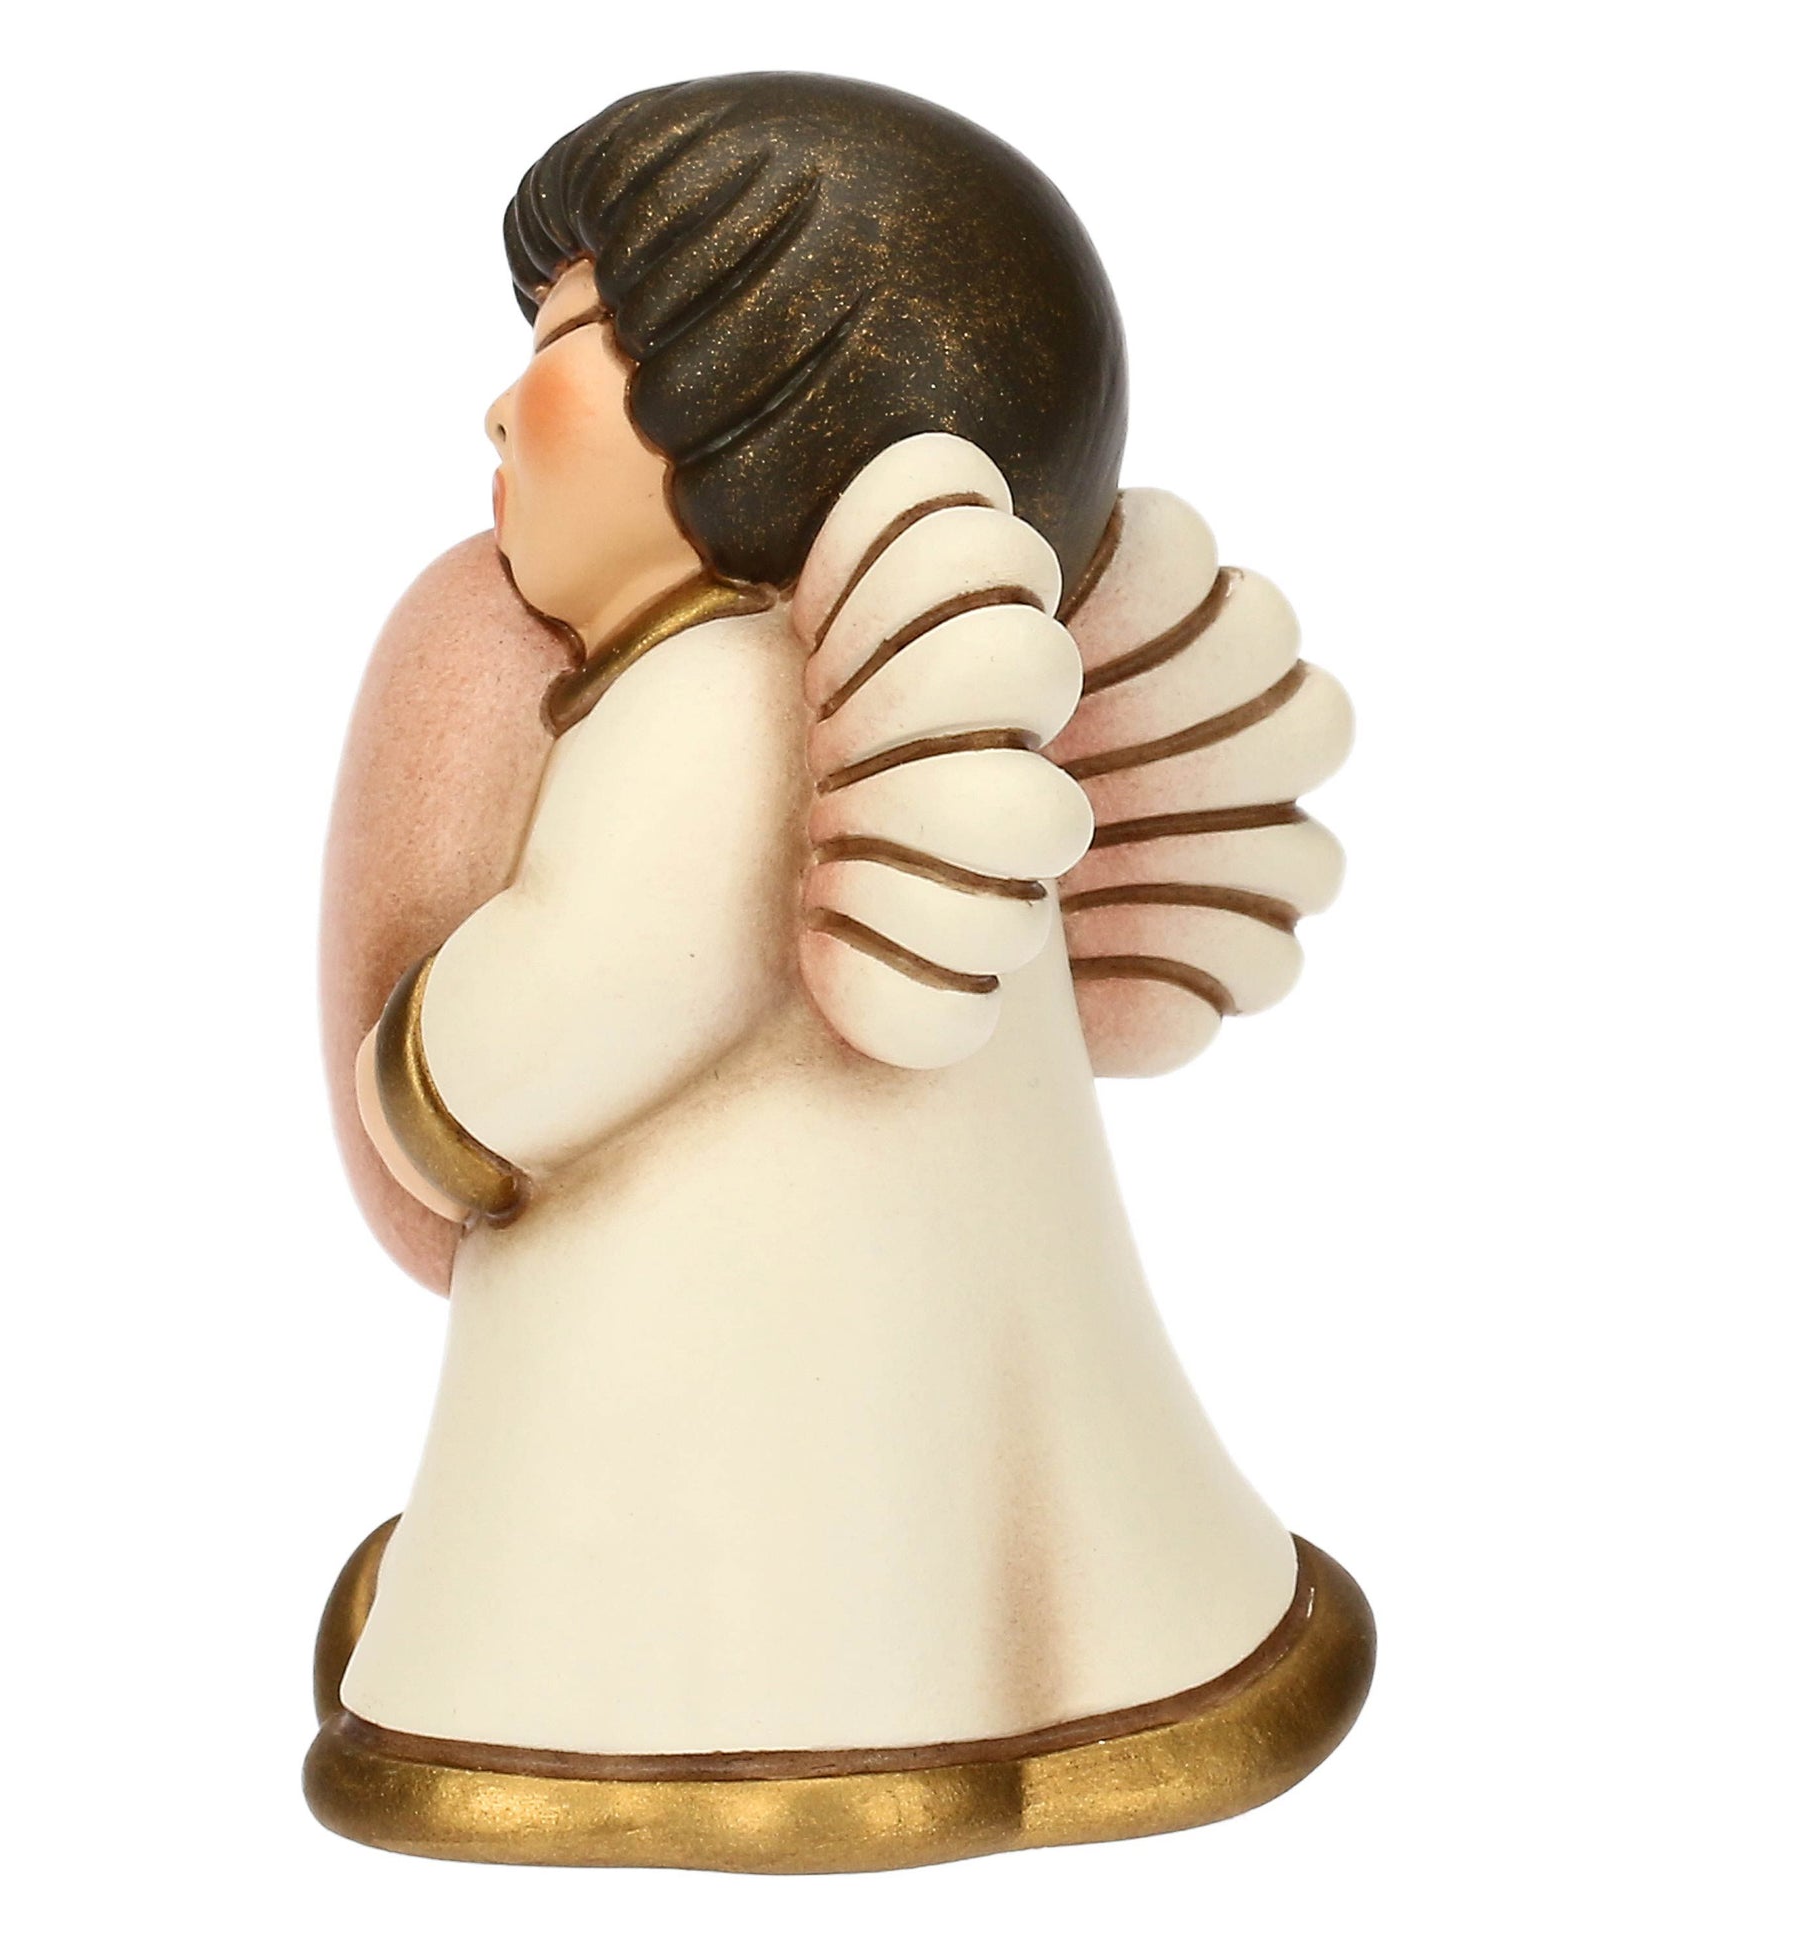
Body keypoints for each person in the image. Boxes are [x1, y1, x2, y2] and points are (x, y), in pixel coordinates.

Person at [309, 71, 1370, 1873]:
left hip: (680, 1394)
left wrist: (428, 1085)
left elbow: (579, 1000)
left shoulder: (713, 702)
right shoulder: (853, 680)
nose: (497, 403)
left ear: (751, 398)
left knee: (735, 1413)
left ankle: (619, 1690)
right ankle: (1018, 1640)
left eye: (561, 345)